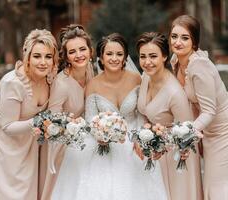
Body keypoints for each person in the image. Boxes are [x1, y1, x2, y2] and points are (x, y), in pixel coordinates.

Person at [51, 33, 167, 200]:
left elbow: (141, 112)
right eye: (109, 54)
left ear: (125, 57)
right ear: (101, 57)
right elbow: (91, 120)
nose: (114, 58)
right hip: (104, 144)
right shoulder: (93, 84)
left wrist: (140, 138)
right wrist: (101, 135)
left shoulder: (136, 79)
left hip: (133, 140)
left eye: (119, 54)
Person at [169, 15, 228, 200]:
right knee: (226, 183)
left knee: (216, 187)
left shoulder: (199, 67)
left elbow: (209, 111)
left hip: (226, 132)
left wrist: (187, 132)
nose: (178, 42)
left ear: (195, 41)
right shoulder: (176, 62)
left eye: (185, 37)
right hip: (209, 133)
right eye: (174, 36)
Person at [0, 29, 58, 200]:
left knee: (27, 183)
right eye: (37, 56)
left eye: (48, 56)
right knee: (7, 186)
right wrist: (39, 122)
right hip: (0, 132)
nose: (43, 62)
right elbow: (7, 126)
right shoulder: (13, 83)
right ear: (27, 57)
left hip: (27, 132)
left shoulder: (50, 78)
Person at [136, 32, 203, 200]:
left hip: (176, 156)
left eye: (153, 56)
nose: (147, 62)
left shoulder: (174, 93)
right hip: (154, 152)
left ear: (164, 56)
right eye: (142, 56)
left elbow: (186, 134)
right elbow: (145, 114)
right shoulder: (145, 77)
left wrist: (162, 146)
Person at [39, 24, 95, 200]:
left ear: (90, 51)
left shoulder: (90, 70)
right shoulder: (61, 84)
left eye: (82, 49)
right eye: (72, 52)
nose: (79, 55)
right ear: (67, 56)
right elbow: (52, 122)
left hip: (85, 138)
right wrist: (72, 126)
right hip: (62, 144)